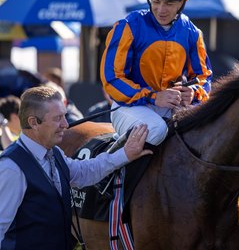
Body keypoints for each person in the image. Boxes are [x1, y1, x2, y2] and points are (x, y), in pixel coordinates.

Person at [0, 86, 152, 249]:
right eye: (58, 118)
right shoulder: (11, 167)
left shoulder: (54, 153)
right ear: (33, 122)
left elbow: (85, 172)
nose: (65, 124)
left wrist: (125, 154)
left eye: (65, 116)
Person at [100, 0, 212, 153]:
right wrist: (152, 96)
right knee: (157, 131)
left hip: (171, 106)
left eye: (169, 3)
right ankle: (110, 170)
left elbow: (204, 77)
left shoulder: (192, 32)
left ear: (182, 3)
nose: (161, 9)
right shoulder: (129, 26)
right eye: (156, 1)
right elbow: (111, 78)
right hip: (128, 107)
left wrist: (194, 91)